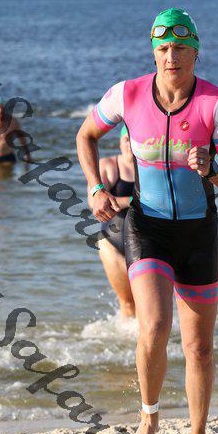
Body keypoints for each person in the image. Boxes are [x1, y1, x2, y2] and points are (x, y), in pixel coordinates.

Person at [76, 7, 218, 434]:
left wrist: (212, 169)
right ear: (154, 53)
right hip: (147, 227)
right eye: (164, 48)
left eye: (180, 48)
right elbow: (86, 135)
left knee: (199, 348)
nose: (172, 56)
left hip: (198, 232)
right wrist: (94, 188)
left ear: (195, 52)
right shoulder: (127, 94)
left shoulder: (216, 103)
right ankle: (149, 418)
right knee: (152, 326)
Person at [87, 125, 136, 319]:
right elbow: (95, 203)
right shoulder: (108, 165)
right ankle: (127, 336)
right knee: (127, 301)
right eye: (126, 140)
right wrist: (134, 201)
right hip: (112, 243)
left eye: (135, 140)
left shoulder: (151, 169)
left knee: (149, 303)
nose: (131, 145)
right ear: (120, 143)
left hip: (146, 242)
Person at [0, 97, 30, 165]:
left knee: (9, 172)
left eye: (1, 108)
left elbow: (21, 137)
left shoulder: (12, 121)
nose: (0, 110)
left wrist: (27, 154)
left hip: (8, 157)